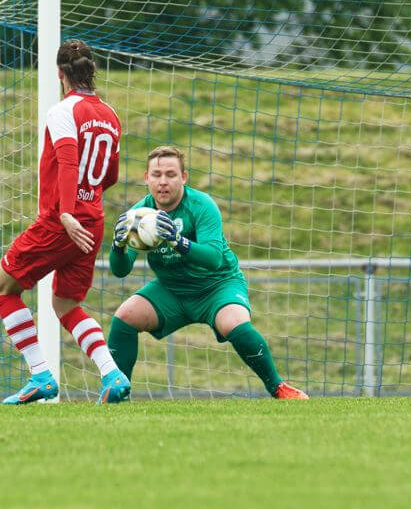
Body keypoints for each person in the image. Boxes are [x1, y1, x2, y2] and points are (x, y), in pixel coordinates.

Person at [0, 39, 130, 404]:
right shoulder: (111, 114)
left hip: (61, 222)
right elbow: (109, 174)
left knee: (3, 289)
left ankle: (41, 376)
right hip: (93, 220)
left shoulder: (63, 111)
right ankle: (112, 375)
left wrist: (66, 210)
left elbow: (68, 161)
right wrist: (85, 199)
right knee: (65, 305)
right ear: (91, 71)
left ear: (60, 74)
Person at [106, 145, 308, 400]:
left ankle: (278, 387)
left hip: (217, 285)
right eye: (156, 175)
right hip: (172, 290)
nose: (163, 182)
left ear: (184, 177)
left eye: (171, 174)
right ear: (146, 178)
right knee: (125, 317)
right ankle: (118, 395)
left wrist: (179, 241)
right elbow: (120, 271)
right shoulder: (139, 215)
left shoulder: (202, 205)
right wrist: (118, 246)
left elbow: (213, 259)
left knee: (233, 323)